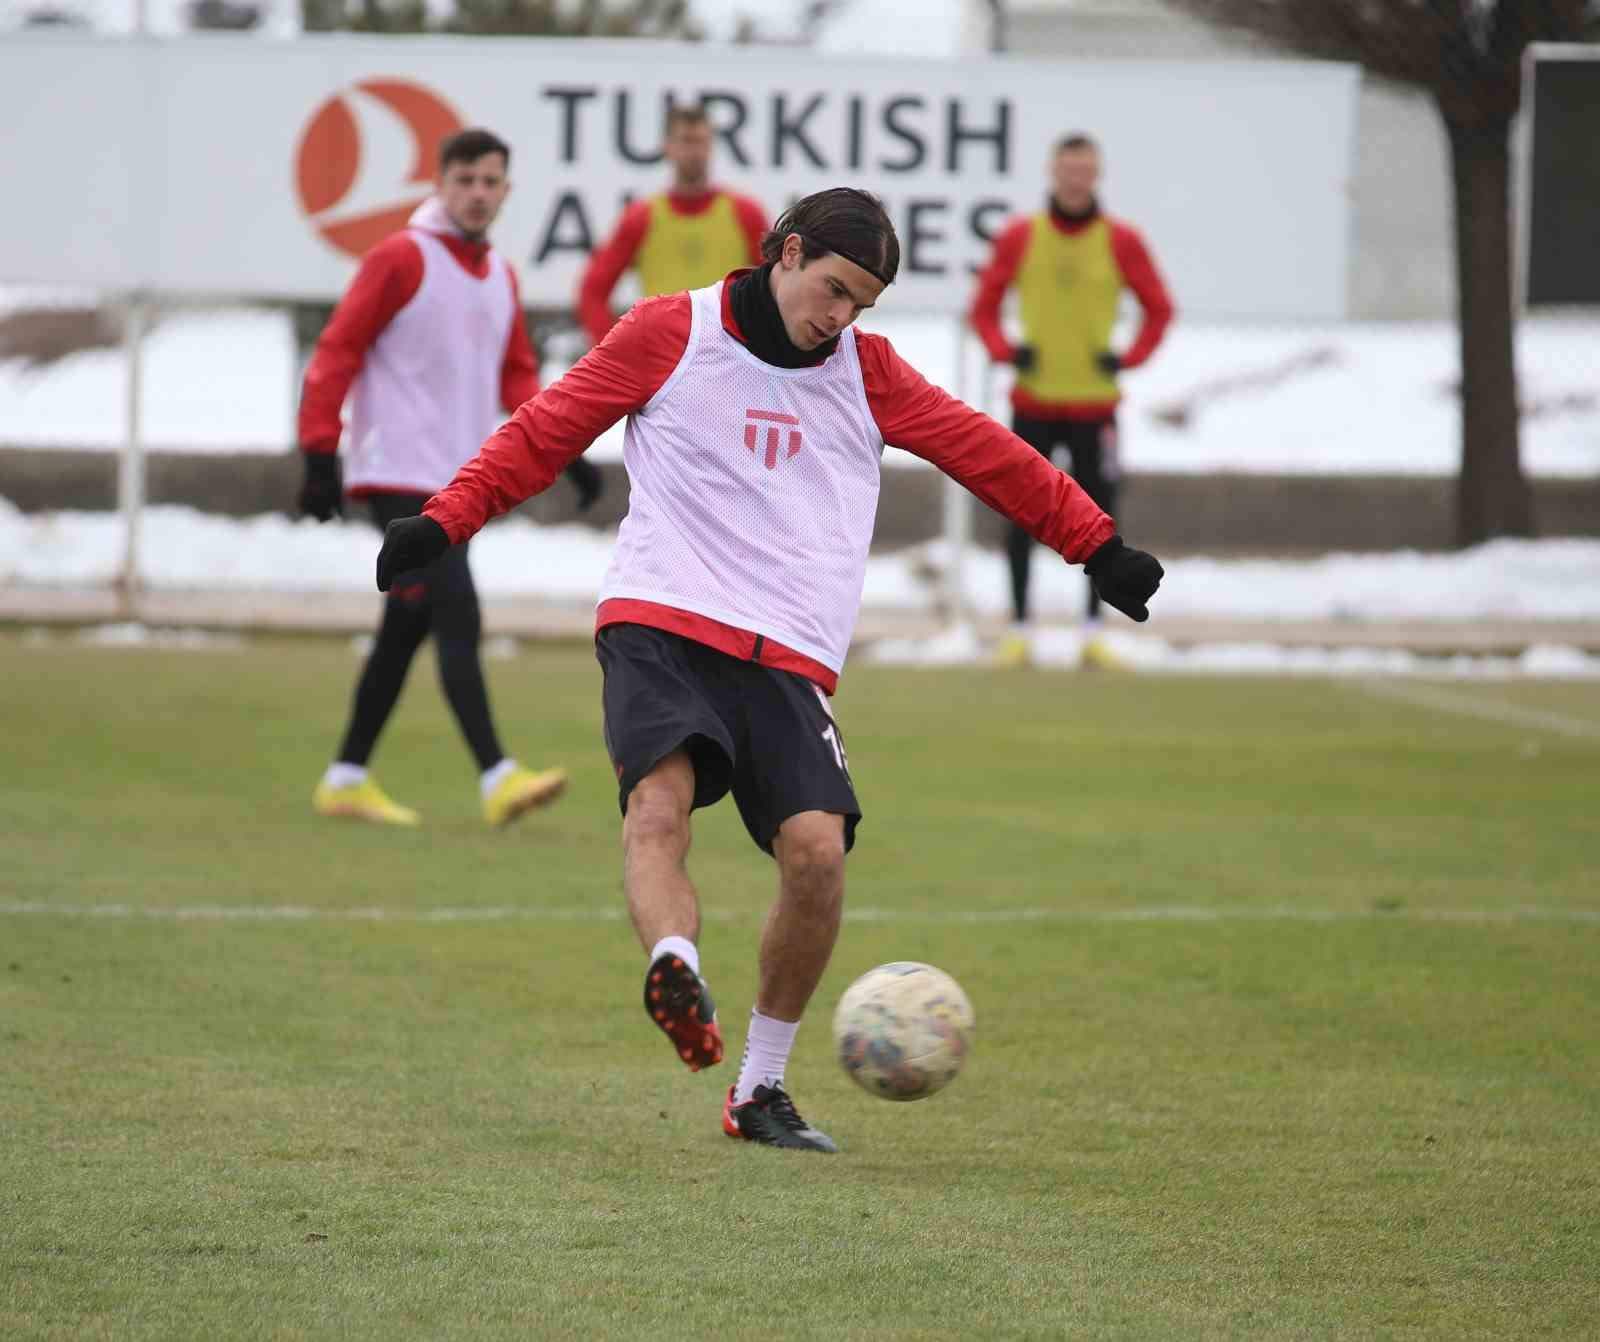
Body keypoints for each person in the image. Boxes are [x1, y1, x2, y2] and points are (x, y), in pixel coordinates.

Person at [375, 189, 1164, 1151]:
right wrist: (443, 520)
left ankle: (758, 1089)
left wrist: (1097, 545)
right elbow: (544, 430)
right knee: (656, 809)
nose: (840, 317)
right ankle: (675, 963)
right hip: (662, 618)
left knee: (818, 858)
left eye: (861, 304)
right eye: (833, 289)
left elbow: (989, 456)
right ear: (785, 254)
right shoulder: (671, 331)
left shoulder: (869, 374)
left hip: (787, 654)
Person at [298, 126, 597, 828]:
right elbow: (338, 349)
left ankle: (345, 777)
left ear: (506, 190)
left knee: (408, 623)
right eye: (464, 180)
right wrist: (318, 452)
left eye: (490, 182)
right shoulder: (401, 258)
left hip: (454, 485)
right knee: (457, 610)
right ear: (440, 184)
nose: (477, 194)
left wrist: (566, 445)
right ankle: (498, 775)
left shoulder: (500, 275)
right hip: (396, 473)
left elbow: (517, 372)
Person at [969, 132, 1174, 669]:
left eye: (1085, 170)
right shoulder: (1021, 236)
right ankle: (1018, 628)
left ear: (1096, 174)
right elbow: (984, 306)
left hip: (1094, 407)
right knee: (1019, 516)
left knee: (1101, 521)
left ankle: (1092, 632)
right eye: (1068, 169)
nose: (1076, 179)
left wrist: (1128, 358)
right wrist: (1005, 351)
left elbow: (1159, 308)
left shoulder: (1121, 240)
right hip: (1033, 402)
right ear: (1053, 172)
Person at [575, 103, 767, 347]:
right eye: (686, 141)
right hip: (660, 356)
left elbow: (779, 284)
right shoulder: (641, 217)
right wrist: (616, 349)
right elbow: (592, 292)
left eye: (702, 142)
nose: (695, 151)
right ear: (668, 147)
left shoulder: (745, 213)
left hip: (726, 354)